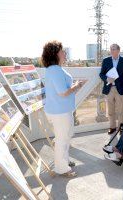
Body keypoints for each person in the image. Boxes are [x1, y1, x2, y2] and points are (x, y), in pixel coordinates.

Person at [41, 40, 82, 178]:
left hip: (60, 110)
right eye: (62, 51)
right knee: (62, 140)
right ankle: (61, 168)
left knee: (65, 137)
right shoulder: (55, 70)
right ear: (55, 54)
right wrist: (77, 86)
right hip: (60, 112)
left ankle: (64, 161)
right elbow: (63, 92)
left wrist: (75, 86)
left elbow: (62, 91)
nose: (64, 53)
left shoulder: (54, 69)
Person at [99, 44, 123, 134]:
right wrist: (107, 78)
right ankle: (112, 127)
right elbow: (101, 74)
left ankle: (121, 128)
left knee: (121, 110)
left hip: (120, 88)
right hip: (109, 88)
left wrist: (117, 78)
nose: (112, 51)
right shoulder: (106, 61)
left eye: (114, 49)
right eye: (111, 49)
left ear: (118, 50)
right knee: (111, 109)